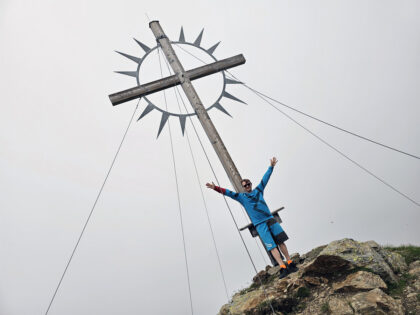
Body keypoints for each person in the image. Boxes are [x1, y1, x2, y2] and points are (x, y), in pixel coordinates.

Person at [206, 157, 297, 279]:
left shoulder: (258, 190)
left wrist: (271, 166)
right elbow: (228, 193)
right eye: (245, 185)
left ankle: (290, 262)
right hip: (260, 225)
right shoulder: (241, 197)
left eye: (248, 184)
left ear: (251, 184)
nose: (247, 186)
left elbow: (265, 179)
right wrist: (215, 188)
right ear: (243, 187)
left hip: (269, 219)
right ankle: (283, 267)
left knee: (281, 241)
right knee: (272, 247)